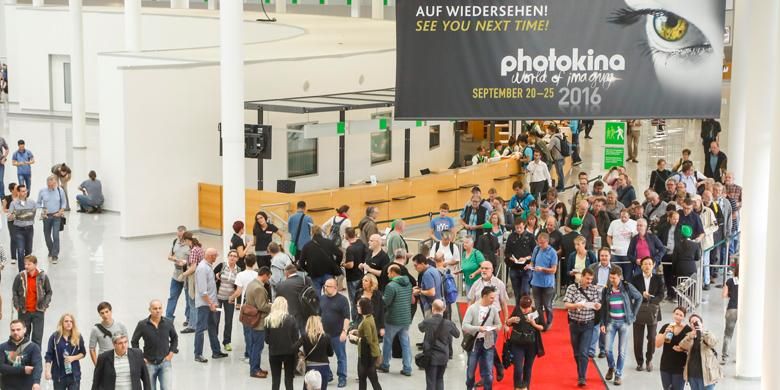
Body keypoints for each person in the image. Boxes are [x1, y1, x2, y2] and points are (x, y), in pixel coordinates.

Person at [599, 267, 642, 386]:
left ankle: (618, 374)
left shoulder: (627, 287)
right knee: (607, 349)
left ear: (620, 277)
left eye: (614, 277)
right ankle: (611, 367)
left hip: (624, 323)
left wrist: (633, 314)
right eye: (610, 277)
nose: (611, 279)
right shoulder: (606, 290)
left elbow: (639, 297)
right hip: (611, 322)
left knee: (622, 351)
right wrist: (602, 323)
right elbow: (603, 308)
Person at [563, 268, 602, 387]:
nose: (590, 281)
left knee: (584, 352)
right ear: (582, 277)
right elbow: (566, 305)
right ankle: (580, 370)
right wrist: (576, 305)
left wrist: (598, 305)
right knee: (576, 353)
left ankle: (582, 377)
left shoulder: (594, 290)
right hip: (574, 324)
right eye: (587, 278)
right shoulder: (572, 288)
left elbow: (597, 304)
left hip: (588, 324)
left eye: (591, 279)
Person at [130, 300, 177, 390]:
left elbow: (174, 338)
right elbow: (134, 341)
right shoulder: (142, 324)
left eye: (160, 308)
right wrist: (141, 357)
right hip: (149, 364)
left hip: (165, 362)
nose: (158, 310)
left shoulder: (168, 323)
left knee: (167, 388)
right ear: (150, 310)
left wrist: (171, 353)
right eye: (155, 308)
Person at [463, 285, 502, 390]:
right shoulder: (472, 308)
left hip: (488, 343)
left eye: (494, 298)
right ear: (484, 296)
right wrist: (478, 328)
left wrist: (493, 328)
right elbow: (464, 325)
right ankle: (470, 387)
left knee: (488, 373)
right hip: (474, 345)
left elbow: (499, 324)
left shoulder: (493, 309)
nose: (493, 300)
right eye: (491, 298)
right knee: (471, 372)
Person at [631, 257, 665, 371]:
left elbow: (661, 294)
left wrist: (652, 302)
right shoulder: (635, 279)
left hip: (653, 311)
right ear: (641, 266)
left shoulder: (658, 278)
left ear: (653, 265)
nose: (647, 266)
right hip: (638, 310)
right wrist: (642, 294)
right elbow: (631, 292)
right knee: (638, 339)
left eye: (650, 264)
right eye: (645, 264)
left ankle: (649, 359)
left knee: (652, 337)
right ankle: (639, 362)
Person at [193, 248, 227, 362]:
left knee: (212, 327)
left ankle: (216, 351)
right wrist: (210, 303)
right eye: (215, 256)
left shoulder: (207, 266)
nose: (216, 258)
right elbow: (203, 291)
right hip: (205, 304)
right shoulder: (202, 268)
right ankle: (198, 354)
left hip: (210, 303)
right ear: (210, 256)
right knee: (201, 329)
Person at [378, 264, 413, 376]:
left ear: (393, 272)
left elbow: (385, 302)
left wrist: (380, 298)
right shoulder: (408, 284)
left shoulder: (391, 286)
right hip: (405, 318)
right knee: (405, 343)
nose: (388, 275)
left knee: (388, 342)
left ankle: (385, 364)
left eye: (388, 273)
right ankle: (407, 368)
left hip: (393, 319)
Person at [504, 295, 544, 390]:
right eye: (523, 308)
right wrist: (510, 320)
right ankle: (517, 387)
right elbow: (507, 324)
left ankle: (526, 387)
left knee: (528, 367)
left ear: (531, 305)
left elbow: (543, 327)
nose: (524, 310)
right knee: (518, 368)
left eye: (527, 308)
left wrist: (534, 324)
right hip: (517, 343)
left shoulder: (536, 312)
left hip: (532, 344)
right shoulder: (517, 310)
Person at [418, 299, 460, 390]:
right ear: (444, 309)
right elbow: (457, 334)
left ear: (433, 309)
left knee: (431, 381)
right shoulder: (449, 323)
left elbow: (420, 328)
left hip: (431, 356)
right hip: (443, 356)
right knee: (440, 379)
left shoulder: (428, 322)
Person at [12, 255, 53, 346]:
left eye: (29, 264)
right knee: (23, 338)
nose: (26, 266)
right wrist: (17, 305)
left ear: (35, 264)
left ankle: (36, 359)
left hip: (38, 312)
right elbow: (14, 291)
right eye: (25, 264)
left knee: (37, 338)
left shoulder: (43, 276)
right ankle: (23, 359)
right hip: (24, 312)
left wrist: (44, 305)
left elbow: (49, 292)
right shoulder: (20, 276)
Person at [265, 297, 301, 390]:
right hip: (289, 353)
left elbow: (267, 340)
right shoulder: (291, 319)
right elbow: (296, 338)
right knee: (289, 381)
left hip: (274, 353)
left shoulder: (268, 320)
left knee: (275, 381)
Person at [319, 279, 350, 388]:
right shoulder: (322, 298)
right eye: (325, 286)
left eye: (328, 286)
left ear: (335, 287)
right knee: (322, 356)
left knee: (341, 357)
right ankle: (328, 375)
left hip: (338, 334)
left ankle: (342, 377)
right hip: (324, 334)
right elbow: (319, 315)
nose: (325, 288)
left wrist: (344, 332)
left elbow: (347, 318)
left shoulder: (343, 300)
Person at [679, 314, 723, 390]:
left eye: (697, 321)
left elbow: (713, 342)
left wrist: (702, 332)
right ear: (690, 325)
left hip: (707, 375)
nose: (694, 323)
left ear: (701, 323)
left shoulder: (708, 334)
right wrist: (691, 336)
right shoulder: (689, 336)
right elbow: (682, 346)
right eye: (692, 322)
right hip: (692, 375)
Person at [44, 314, 86, 390]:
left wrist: (73, 358)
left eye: (71, 321)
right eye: (66, 321)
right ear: (62, 323)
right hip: (58, 375)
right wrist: (47, 371)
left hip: (74, 375)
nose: (69, 323)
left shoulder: (78, 336)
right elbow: (49, 356)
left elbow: (83, 353)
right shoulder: (54, 337)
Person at [244, 266, 272, 378]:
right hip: (259, 322)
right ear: (264, 275)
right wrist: (272, 306)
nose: (268, 279)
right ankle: (255, 370)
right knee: (258, 346)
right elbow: (262, 306)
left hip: (251, 319)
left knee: (253, 345)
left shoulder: (251, 284)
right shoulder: (259, 288)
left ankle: (255, 367)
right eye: (268, 277)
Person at [655, 307, 692, 390]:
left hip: (680, 366)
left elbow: (692, 348)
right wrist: (665, 334)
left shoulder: (687, 330)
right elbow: (657, 344)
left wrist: (683, 349)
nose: (678, 317)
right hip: (665, 365)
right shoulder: (666, 327)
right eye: (676, 314)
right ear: (673, 314)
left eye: (681, 315)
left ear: (684, 317)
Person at [300, 225, 343, 298]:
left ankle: (319, 309)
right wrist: (336, 264)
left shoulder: (307, 246)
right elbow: (340, 254)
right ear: (321, 232)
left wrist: (309, 269)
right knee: (331, 296)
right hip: (329, 272)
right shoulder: (328, 242)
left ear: (311, 233)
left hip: (314, 274)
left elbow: (301, 263)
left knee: (317, 298)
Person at [0, 320, 43, 390]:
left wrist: (36, 382)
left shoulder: (33, 347)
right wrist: (23, 369)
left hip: (26, 387)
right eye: (13, 330)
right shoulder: (2, 347)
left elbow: (38, 366)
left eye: (18, 329)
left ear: (24, 330)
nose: (15, 332)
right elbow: (1, 367)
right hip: (7, 387)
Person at [350, 298, 382, 390]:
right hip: (370, 353)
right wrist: (357, 331)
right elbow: (368, 334)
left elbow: (368, 340)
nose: (357, 308)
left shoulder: (366, 321)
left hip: (367, 354)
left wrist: (355, 338)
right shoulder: (369, 317)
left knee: (366, 379)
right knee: (371, 379)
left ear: (363, 307)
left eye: (358, 306)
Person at [233, 255, 259, 361]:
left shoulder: (240, 275)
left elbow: (238, 292)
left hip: (246, 305)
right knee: (254, 330)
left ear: (244, 261)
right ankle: (251, 353)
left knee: (247, 331)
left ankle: (249, 354)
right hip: (256, 304)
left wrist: (231, 297)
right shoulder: (257, 275)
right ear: (255, 262)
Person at [213, 250, 240, 351]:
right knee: (215, 320)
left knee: (229, 321)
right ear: (228, 257)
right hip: (218, 298)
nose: (232, 258)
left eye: (235, 256)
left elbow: (239, 286)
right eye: (231, 256)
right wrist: (215, 277)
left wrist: (234, 298)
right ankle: (214, 341)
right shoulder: (222, 266)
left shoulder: (239, 270)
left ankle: (227, 342)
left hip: (230, 300)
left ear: (237, 258)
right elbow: (211, 276)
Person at [530, 233, 558, 331]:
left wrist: (542, 269)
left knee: (547, 305)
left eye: (542, 243)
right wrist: (530, 266)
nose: (540, 245)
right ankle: (541, 323)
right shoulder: (536, 249)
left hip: (548, 283)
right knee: (537, 305)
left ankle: (549, 321)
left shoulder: (553, 253)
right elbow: (532, 261)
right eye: (539, 242)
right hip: (536, 282)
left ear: (547, 241)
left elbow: (554, 270)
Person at [275, 264, 314, 332]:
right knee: (304, 334)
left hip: (288, 315)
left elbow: (278, 300)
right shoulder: (305, 280)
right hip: (304, 313)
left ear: (286, 273)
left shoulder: (280, 285)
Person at [178, 232, 203, 334]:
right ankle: (199, 324)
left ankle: (193, 325)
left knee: (192, 302)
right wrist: (185, 262)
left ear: (187, 240)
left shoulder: (193, 250)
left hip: (193, 278)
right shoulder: (199, 248)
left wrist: (183, 274)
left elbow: (193, 267)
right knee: (197, 302)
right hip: (200, 277)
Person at [505, 218, 536, 301]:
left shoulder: (530, 236)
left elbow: (534, 252)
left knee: (525, 291)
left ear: (524, 226)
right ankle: (518, 309)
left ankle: (526, 309)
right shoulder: (511, 236)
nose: (518, 229)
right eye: (517, 228)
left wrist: (526, 258)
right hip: (514, 267)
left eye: (520, 227)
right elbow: (507, 252)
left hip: (526, 267)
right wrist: (511, 258)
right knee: (517, 292)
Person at [37, 176, 66, 263]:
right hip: (46, 216)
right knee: (47, 236)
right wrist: (42, 210)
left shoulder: (60, 190)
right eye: (49, 185)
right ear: (47, 183)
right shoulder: (42, 191)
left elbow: (64, 203)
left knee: (56, 235)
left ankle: (54, 255)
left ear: (56, 183)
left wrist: (61, 211)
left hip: (57, 216)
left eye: (53, 185)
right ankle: (51, 250)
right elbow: (38, 203)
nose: (51, 187)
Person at [8, 185, 36, 272]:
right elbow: (10, 217)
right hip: (18, 230)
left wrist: (19, 215)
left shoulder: (32, 202)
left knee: (28, 251)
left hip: (29, 229)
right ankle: (22, 271)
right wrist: (13, 216)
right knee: (20, 251)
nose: (25, 193)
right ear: (18, 192)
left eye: (25, 191)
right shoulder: (13, 204)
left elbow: (33, 215)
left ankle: (28, 269)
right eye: (23, 191)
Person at [165, 226, 190, 322]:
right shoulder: (175, 241)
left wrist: (185, 262)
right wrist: (176, 259)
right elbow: (169, 256)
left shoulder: (190, 245)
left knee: (188, 298)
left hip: (187, 275)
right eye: (178, 235)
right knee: (172, 296)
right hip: (176, 275)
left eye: (181, 235)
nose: (179, 237)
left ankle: (188, 318)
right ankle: (168, 318)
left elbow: (194, 261)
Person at [300, 316, 333, 390]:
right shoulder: (326, 337)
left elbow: (294, 348)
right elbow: (331, 353)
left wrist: (301, 354)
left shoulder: (305, 337)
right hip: (324, 367)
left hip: (310, 366)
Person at [344, 227, 368, 322]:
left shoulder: (350, 249)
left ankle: (355, 320)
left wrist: (343, 264)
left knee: (353, 300)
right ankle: (361, 317)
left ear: (347, 235)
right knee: (360, 298)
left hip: (352, 277)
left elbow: (350, 265)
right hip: (360, 275)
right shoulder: (361, 243)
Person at [607, 209, 638, 279]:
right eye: (621, 217)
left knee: (628, 276)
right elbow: (609, 236)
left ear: (629, 216)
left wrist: (633, 236)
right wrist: (611, 246)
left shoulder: (634, 223)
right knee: (615, 275)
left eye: (625, 217)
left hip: (628, 253)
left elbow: (637, 239)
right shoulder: (614, 223)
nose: (623, 219)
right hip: (615, 253)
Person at [355, 274, 384, 339]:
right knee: (362, 344)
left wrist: (382, 327)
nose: (363, 282)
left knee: (373, 344)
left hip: (374, 323)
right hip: (361, 322)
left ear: (372, 283)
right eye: (363, 280)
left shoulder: (378, 294)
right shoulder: (358, 293)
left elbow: (381, 311)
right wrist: (355, 324)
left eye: (366, 280)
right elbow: (355, 309)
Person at [414, 254, 443, 318]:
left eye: (416, 265)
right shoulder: (434, 270)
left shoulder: (427, 274)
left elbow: (431, 292)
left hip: (431, 307)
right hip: (438, 304)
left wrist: (419, 291)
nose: (415, 268)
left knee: (430, 327)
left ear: (422, 264)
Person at [721, 265, 738, 364]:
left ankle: (724, 357)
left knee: (728, 334)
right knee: (744, 333)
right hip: (744, 309)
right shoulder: (748, 280)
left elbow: (724, 295)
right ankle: (741, 356)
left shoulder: (730, 281)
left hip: (732, 309)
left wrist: (731, 294)